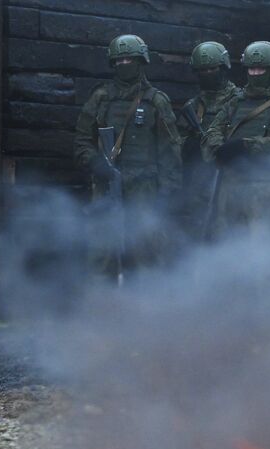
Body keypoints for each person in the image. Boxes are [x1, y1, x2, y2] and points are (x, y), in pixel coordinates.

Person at [73, 34, 183, 275]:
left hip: (145, 187)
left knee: (146, 248)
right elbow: (82, 141)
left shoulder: (156, 101)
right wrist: (94, 162)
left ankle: (145, 306)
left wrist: (167, 192)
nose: (124, 65)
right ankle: (101, 304)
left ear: (141, 61)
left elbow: (170, 149)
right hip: (107, 183)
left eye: (129, 60)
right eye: (119, 61)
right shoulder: (101, 97)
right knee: (102, 248)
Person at [201, 41, 270, 233]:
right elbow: (213, 130)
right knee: (225, 239)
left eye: (260, 69)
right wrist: (219, 148)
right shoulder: (235, 102)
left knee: (263, 242)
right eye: (251, 69)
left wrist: (246, 146)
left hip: (264, 183)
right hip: (230, 182)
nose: (255, 73)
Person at [178, 41, 241, 238]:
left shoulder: (239, 100)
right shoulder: (194, 106)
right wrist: (190, 145)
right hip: (200, 178)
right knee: (197, 227)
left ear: (223, 67)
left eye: (212, 68)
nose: (207, 73)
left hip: (231, 176)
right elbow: (177, 141)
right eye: (202, 70)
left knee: (228, 227)